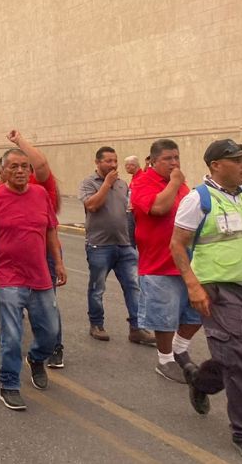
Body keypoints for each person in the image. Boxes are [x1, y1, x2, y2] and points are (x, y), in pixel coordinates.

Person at [168, 139, 242, 464]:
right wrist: (193, 285)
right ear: (216, 165)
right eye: (238, 160)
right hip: (217, 289)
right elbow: (177, 244)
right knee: (239, 363)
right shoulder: (198, 199)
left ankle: (201, 381)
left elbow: (241, 232)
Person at [0, 148, 66, 412]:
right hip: (8, 277)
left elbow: (50, 230)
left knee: (50, 332)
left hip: (40, 276)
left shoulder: (40, 195)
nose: (20, 171)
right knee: (12, 335)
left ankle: (37, 359)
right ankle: (9, 384)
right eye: (13, 166)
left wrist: (59, 263)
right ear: (2, 172)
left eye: (25, 166)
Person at [130, 139, 201, 383]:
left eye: (176, 158)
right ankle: (165, 359)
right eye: (167, 159)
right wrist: (174, 182)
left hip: (187, 261)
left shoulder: (182, 185)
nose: (173, 163)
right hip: (159, 262)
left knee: (197, 312)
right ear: (152, 161)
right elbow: (159, 207)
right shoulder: (142, 183)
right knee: (165, 316)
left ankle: (180, 348)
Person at [79, 147, 155, 345]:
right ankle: (97, 324)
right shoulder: (88, 183)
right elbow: (92, 205)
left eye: (115, 161)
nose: (113, 165)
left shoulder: (122, 185)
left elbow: (130, 211)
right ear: (97, 162)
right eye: (108, 161)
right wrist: (106, 184)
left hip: (124, 244)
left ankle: (137, 328)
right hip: (99, 245)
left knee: (134, 287)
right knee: (97, 288)